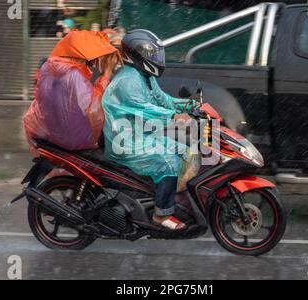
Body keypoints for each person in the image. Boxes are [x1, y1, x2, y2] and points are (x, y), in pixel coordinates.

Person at [102, 30, 193, 230]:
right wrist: (173, 116)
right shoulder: (128, 80)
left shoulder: (145, 76)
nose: (157, 59)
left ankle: (172, 197)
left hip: (141, 135)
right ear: (139, 54)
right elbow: (144, 108)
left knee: (187, 152)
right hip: (125, 141)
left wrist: (190, 106)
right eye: (152, 55)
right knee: (168, 161)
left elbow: (163, 100)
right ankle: (161, 214)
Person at [24, 30, 121, 153]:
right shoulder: (74, 75)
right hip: (74, 139)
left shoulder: (47, 67)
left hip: (49, 132)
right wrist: (107, 74)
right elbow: (93, 109)